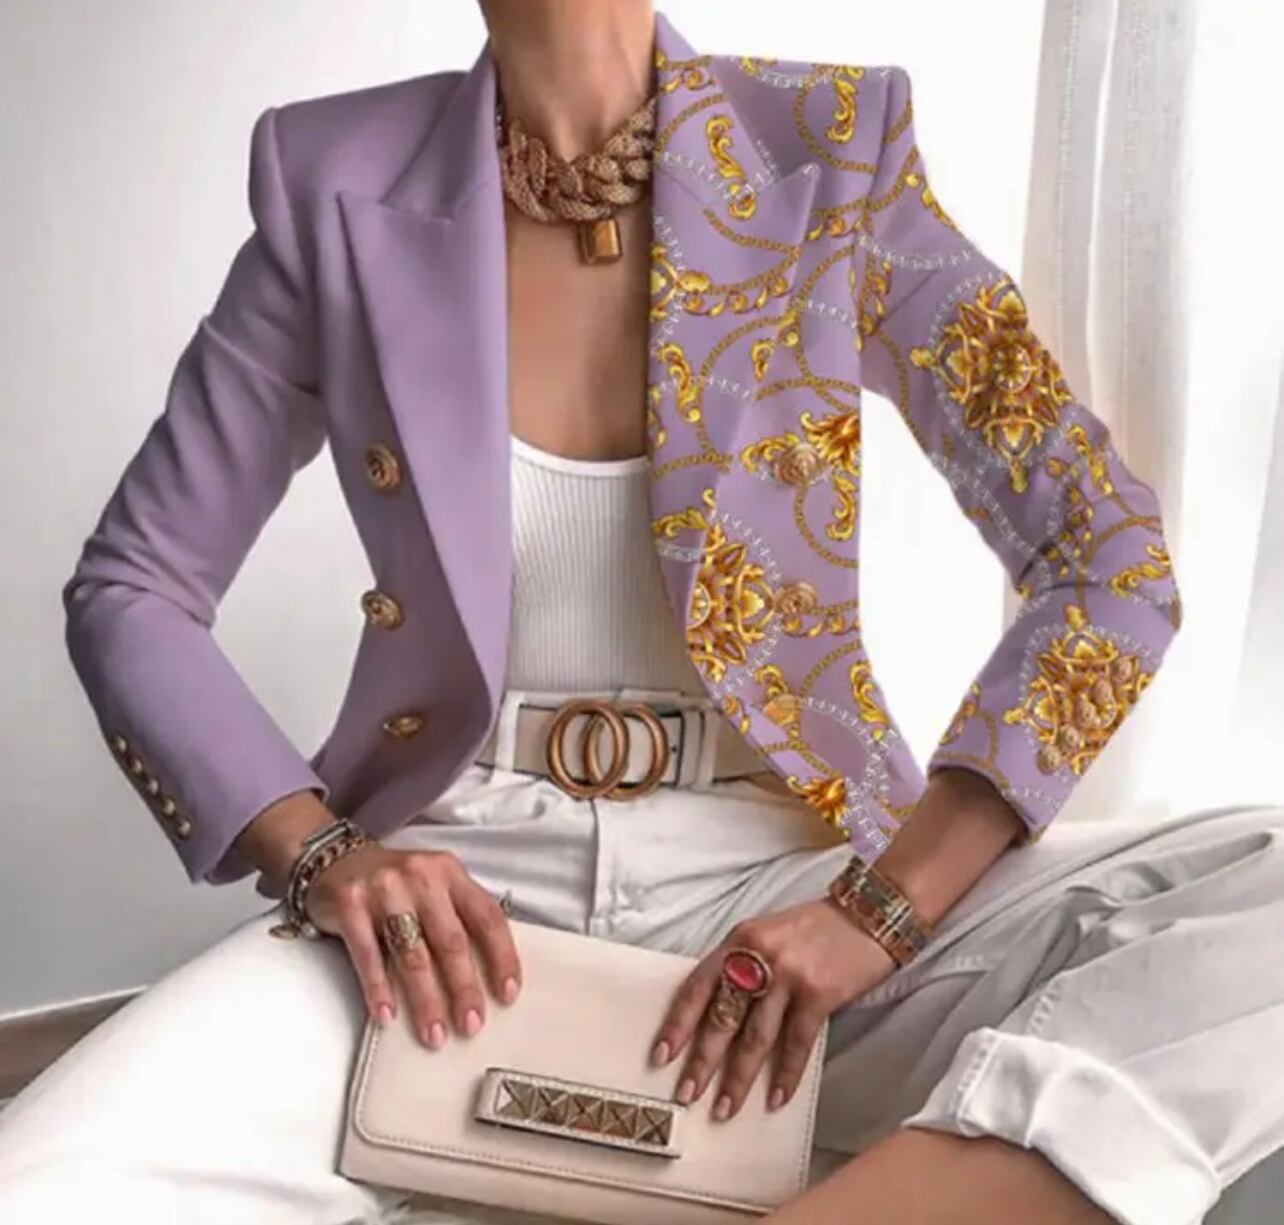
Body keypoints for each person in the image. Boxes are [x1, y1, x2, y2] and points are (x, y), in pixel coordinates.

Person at [2, 2, 1282, 1223]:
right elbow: (133, 586)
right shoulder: (335, 186)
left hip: (785, 905)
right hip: (445, 922)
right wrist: (326, 856)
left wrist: (879, 913)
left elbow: (1107, 552)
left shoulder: (833, 156)